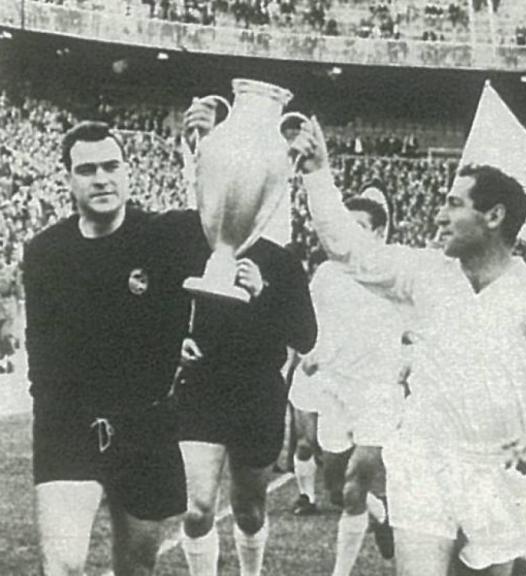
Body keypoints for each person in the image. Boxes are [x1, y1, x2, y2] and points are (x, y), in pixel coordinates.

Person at [294, 116, 526, 576]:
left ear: (493, 216)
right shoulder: (427, 273)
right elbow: (350, 250)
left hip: (500, 469)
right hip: (424, 458)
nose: (440, 215)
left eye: (454, 204)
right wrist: (317, 175)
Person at [24, 121, 200, 575]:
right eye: (87, 169)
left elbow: (227, 236)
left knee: (138, 568)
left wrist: (202, 151)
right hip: (69, 427)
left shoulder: (164, 237)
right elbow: (41, 352)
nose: (101, 178)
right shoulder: (45, 251)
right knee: (61, 564)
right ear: (67, 179)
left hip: (145, 426)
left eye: (111, 166)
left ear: (128, 172)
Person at [177, 104, 318, 576]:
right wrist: (174, 340)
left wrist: (265, 293)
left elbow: (306, 335)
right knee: (197, 508)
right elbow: (164, 301)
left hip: (257, 392)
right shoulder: (196, 242)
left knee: (249, 508)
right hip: (201, 386)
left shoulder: (281, 262)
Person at [298, 191, 404, 576]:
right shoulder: (327, 274)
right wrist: (312, 351)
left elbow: (421, 326)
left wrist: (409, 361)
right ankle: (380, 513)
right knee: (336, 488)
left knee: (355, 481)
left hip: (377, 390)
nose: (349, 236)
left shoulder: (394, 272)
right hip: (334, 387)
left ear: (378, 232)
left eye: (359, 228)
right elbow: (312, 323)